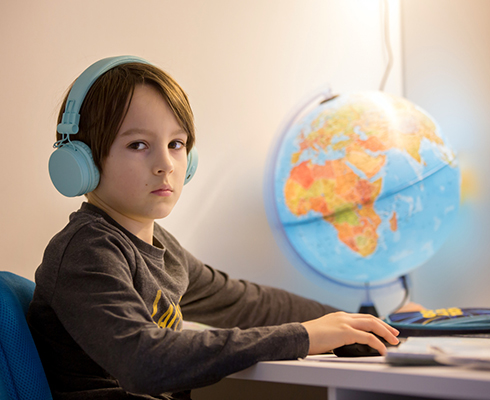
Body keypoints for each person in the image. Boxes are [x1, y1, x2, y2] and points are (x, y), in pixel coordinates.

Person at [27, 57, 400, 400]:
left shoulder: (161, 249)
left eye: (176, 144)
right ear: (82, 160)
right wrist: (304, 337)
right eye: (138, 144)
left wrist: (362, 325)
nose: (166, 164)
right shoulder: (87, 252)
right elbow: (145, 361)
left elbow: (247, 304)